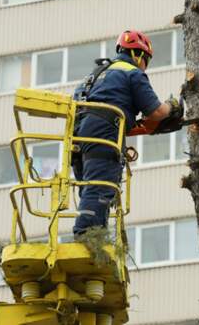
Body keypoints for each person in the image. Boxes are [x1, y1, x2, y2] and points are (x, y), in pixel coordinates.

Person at [71, 30, 181, 238]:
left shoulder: (93, 76)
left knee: (90, 190)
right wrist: (171, 107)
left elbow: (101, 112)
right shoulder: (132, 72)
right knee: (101, 187)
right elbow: (156, 111)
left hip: (77, 137)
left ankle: (95, 236)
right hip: (102, 137)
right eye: (145, 60)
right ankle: (87, 239)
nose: (145, 65)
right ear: (139, 56)